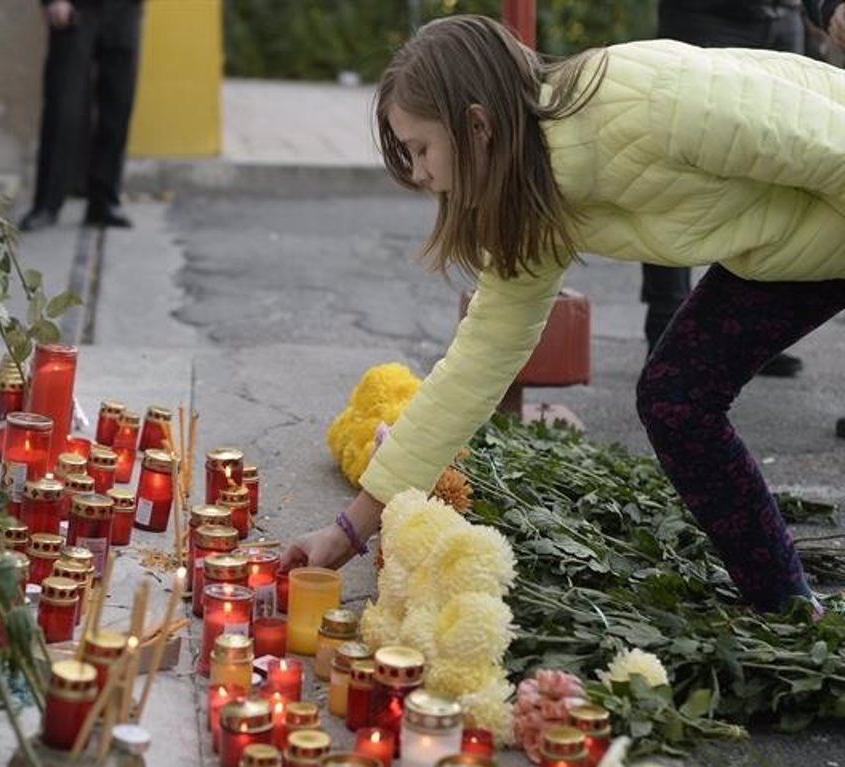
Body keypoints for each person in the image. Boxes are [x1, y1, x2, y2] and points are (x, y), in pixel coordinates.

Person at [283, 15, 844, 616]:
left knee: (677, 395)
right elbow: (476, 366)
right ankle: (788, 609)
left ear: (477, 126)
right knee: (676, 398)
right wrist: (349, 531)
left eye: (421, 149)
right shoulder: (532, 199)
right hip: (792, 251)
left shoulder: (646, 97)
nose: (418, 174)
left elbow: (828, 144)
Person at [642, 0, 814, 377]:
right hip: (706, 16)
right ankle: (665, 324)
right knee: (683, 171)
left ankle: (752, 337)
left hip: (785, 16)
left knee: (778, 183)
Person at [19, 0, 142, 231]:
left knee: (118, 106)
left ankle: (103, 201)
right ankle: (47, 204)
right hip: (76, 8)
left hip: (125, 9)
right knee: (63, 107)